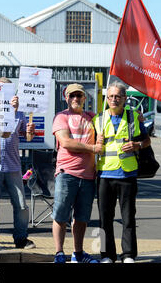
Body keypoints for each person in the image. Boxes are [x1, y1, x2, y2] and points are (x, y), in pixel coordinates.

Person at [93, 81, 150, 263]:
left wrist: (137, 145)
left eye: (118, 96)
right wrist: (97, 144)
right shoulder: (97, 119)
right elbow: (91, 146)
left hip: (127, 175)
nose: (114, 99)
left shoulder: (134, 116)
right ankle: (106, 255)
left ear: (125, 99)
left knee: (128, 218)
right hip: (104, 175)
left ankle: (128, 255)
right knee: (104, 220)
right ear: (106, 99)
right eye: (110, 96)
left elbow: (147, 140)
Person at [51, 83, 103, 263]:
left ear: (84, 98)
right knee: (61, 215)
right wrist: (92, 148)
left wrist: (136, 117)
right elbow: (65, 142)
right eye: (72, 95)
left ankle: (78, 253)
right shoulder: (61, 117)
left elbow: (112, 119)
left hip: (88, 176)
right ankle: (59, 253)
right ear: (66, 98)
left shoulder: (93, 117)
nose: (76, 99)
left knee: (81, 218)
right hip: (67, 173)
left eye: (79, 95)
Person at [0, 77, 36, 250]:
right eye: (1, 89)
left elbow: (28, 137)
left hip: (13, 165)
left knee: (21, 205)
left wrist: (30, 131)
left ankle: (21, 238)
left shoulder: (20, 112)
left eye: (8, 89)